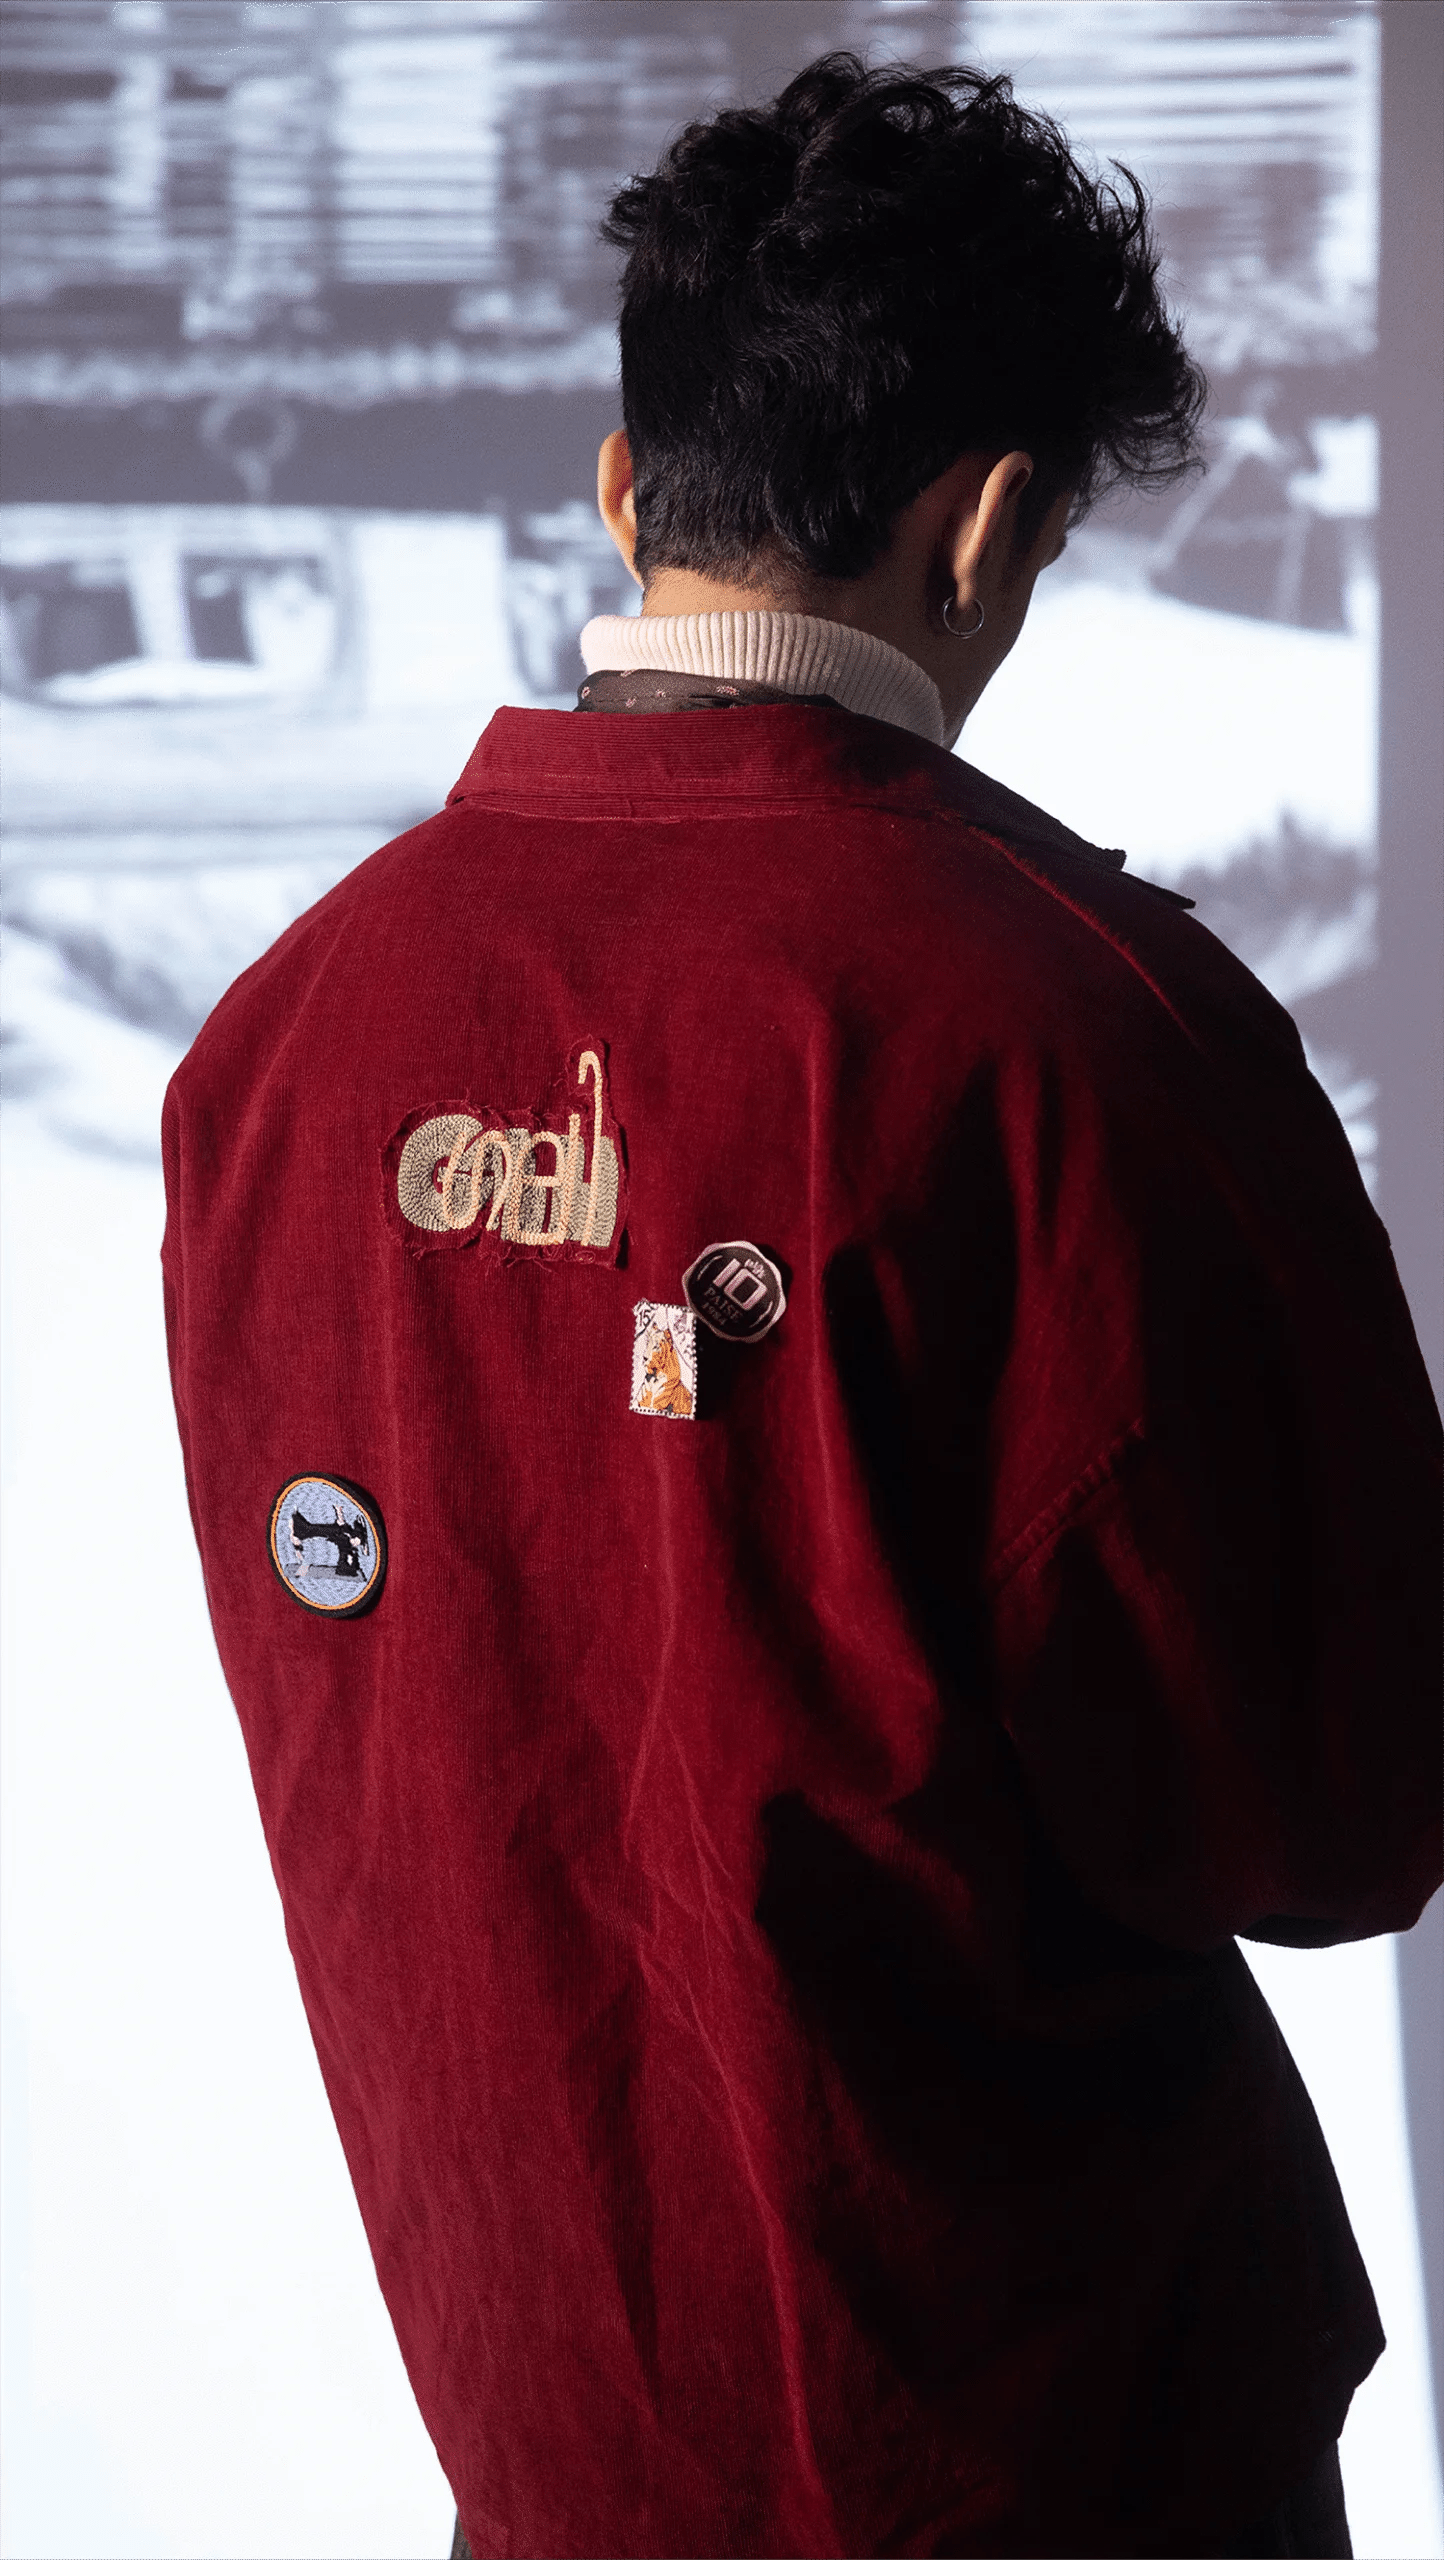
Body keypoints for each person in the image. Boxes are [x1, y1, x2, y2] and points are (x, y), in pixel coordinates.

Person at [160, 53, 1442, 2560]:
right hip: (1058, 2470)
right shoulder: (1081, 1036)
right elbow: (1333, 1815)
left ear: (620, 489)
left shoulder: (285, 1044)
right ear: (986, 526)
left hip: (555, 2455)